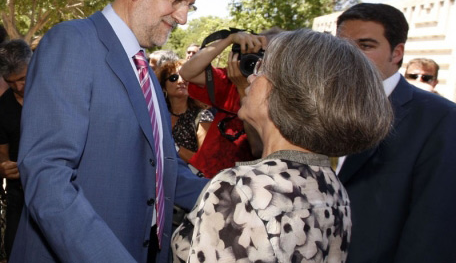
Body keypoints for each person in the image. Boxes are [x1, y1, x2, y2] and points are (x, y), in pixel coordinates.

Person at [10, 0, 209, 263]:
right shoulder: (72, 43)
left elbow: (162, 168)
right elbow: (48, 178)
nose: (183, 16)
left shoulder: (142, 67)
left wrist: (238, 193)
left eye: (190, 5)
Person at [172, 29, 393, 263]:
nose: (250, 77)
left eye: (261, 68)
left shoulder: (241, 189)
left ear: (289, 92)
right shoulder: (332, 185)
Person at [336, 3, 456, 263]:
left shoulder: (441, 118)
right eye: (342, 45)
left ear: (397, 53)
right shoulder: (315, 106)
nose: (350, 55)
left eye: (366, 46)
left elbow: (433, 229)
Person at [179, 29, 271, 177]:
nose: (256, 63)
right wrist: (229, 39)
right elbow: (187, 72)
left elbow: (258, 147)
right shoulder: (232, 79)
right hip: (202, 172)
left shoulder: (281, 96)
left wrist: (243, 89)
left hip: (237, 184)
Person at [0, 39, 32, 259]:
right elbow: (0, 153)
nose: (18, 87)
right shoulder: (1, 109)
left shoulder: (56, 94)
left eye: (23, 79)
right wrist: (1, 167)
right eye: (11, 82)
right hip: (19, 193)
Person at [155, 60, 212, 166]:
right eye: (173, 78)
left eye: (185, 78)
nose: (181, 81)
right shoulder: (157, 114)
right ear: (163, 86)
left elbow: (204, 161)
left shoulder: (202, 116)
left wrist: (173, 147)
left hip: (187, 178)